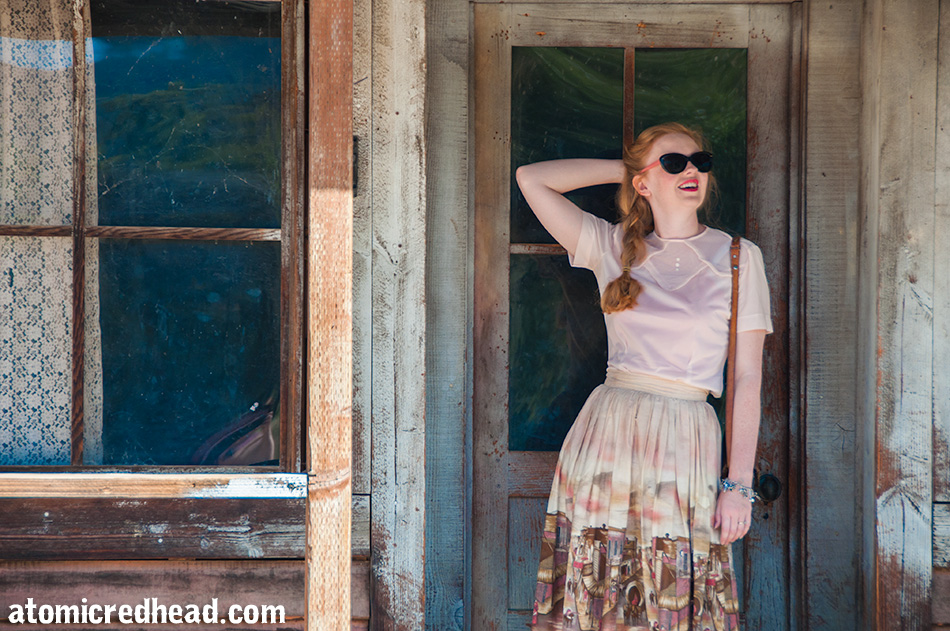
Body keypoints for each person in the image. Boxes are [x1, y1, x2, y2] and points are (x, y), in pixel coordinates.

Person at [515, 122, 772, 631]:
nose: (692, 170)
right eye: (674, 163)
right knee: (600, 593)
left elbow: (747, 378)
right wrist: (627, 168)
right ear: (643, 183)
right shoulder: (612, 246)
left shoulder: (739, 258)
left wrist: (739, 485)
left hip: (686, 438)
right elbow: (531, 179)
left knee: (674, 594)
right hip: (609, 435)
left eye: (700, 161)